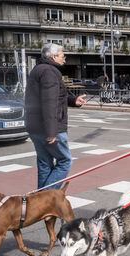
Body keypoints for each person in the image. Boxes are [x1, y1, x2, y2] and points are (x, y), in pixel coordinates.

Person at [25, 43, 87, 190]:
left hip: (35, 126)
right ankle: (44, 197)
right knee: (65, 161)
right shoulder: (50, 72)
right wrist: (52, 131)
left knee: (44, 163)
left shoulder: (38, 70)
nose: (64, 59)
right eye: (62, 55)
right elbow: (49, 102)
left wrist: (73, 100)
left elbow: (50, 98)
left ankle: (39, 203)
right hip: (51, 128)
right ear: (53, 56)